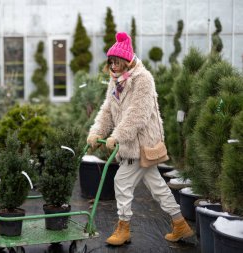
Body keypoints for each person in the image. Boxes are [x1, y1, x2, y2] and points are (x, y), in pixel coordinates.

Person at [86, 32, 194, 246]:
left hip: (142, 143)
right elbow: (107, 109)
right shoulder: (116, 81)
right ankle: (180, 224)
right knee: (157, 187)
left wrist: (116, 136)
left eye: (117, 62)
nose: (114, 67)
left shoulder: (143, 79)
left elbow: (138, 114)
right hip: (131, 143)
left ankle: (124, 228)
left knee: (122, 181)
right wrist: (97, 131)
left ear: (127, 60)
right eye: (111, 62)